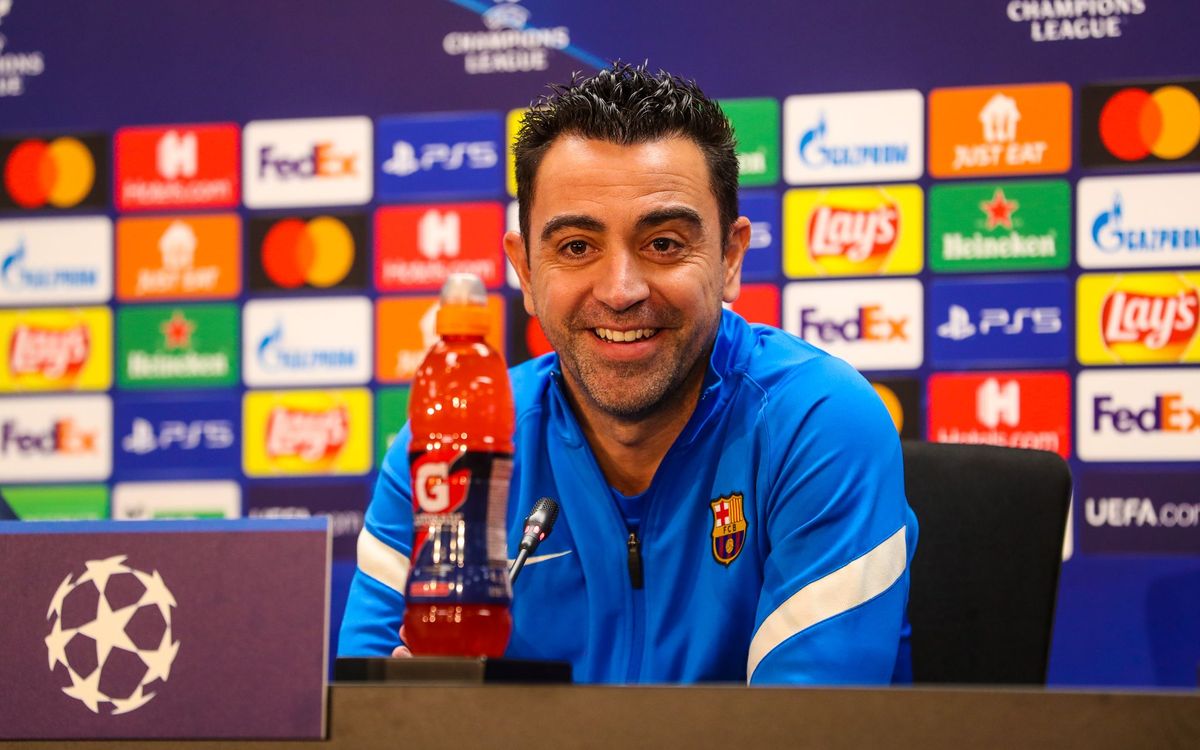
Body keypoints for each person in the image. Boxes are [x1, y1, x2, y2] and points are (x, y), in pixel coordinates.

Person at [339, 62, 918, 684]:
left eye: (663, 244)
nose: (620, 291)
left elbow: (805, 725)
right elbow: (367, 709)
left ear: (729, 258)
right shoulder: (454, 447)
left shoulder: (818, 422)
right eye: (577, 247)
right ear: (526, 271)